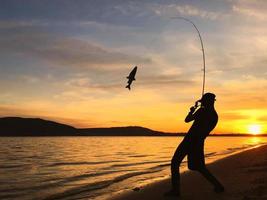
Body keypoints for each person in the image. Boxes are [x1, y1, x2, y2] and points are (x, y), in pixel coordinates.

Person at [165, 92, 224, 197]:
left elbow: (187, 120)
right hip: (199, 142)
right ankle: (218, 186)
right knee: (198, 167)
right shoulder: (215, 116)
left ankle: (175, 190)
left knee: (175, 162)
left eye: (204, 101)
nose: (203, 103)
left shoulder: (202, 111)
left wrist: (192, 110)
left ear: (207, 102)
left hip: (189, 140)